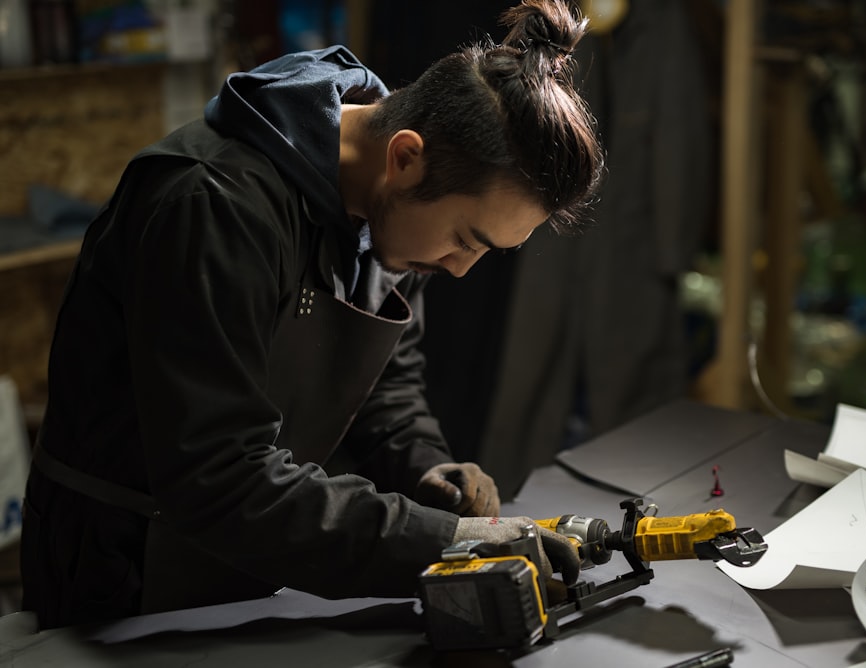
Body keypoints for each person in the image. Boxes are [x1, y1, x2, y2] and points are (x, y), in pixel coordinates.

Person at [20, 0, 603, 629]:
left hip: (251, 553)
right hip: (125, 571)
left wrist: (428, 469)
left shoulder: (395, 216)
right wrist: (446, 540)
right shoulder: (214, 204)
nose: (460, 268)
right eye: (466, 238)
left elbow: (386, 389)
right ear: (406, 157)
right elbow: (219, 475)